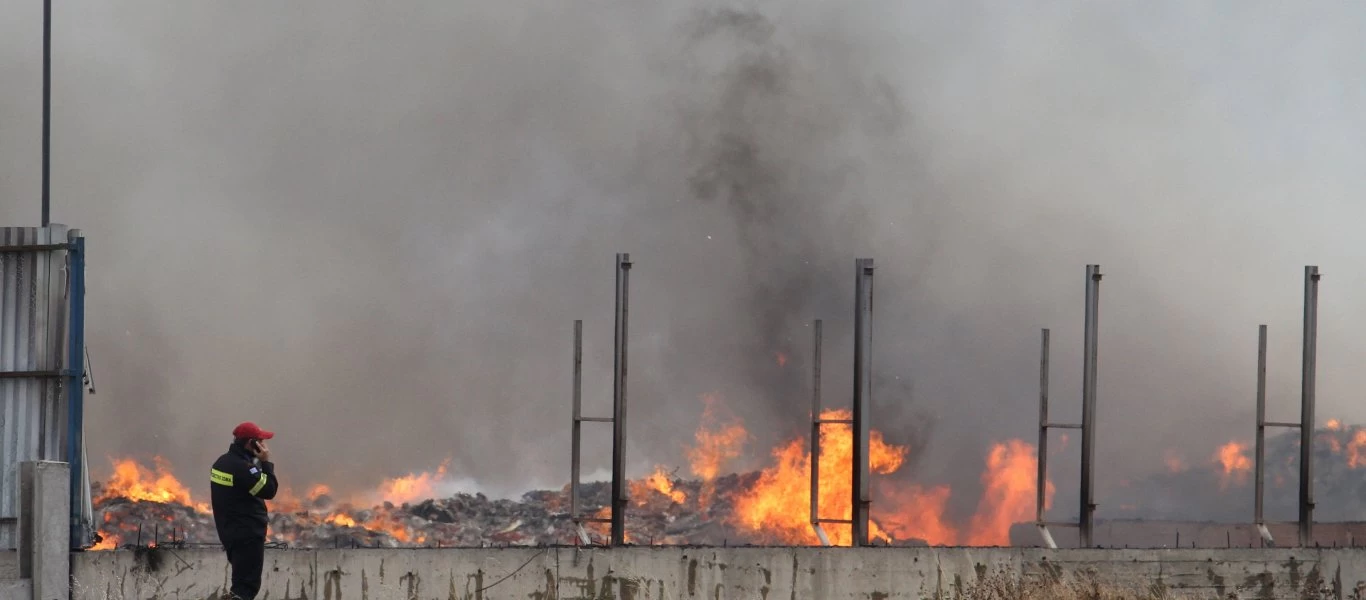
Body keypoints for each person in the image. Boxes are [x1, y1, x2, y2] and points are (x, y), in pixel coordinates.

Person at [210, 421, 280, 600]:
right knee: (246, 588)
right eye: (260, 441)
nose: (264, 445)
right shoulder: (243, 468)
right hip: (248, 534)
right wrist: (266, 463)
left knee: (240, 583)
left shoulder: (222, 463)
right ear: (252, 443)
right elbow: (269, 490)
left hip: (230, 532)